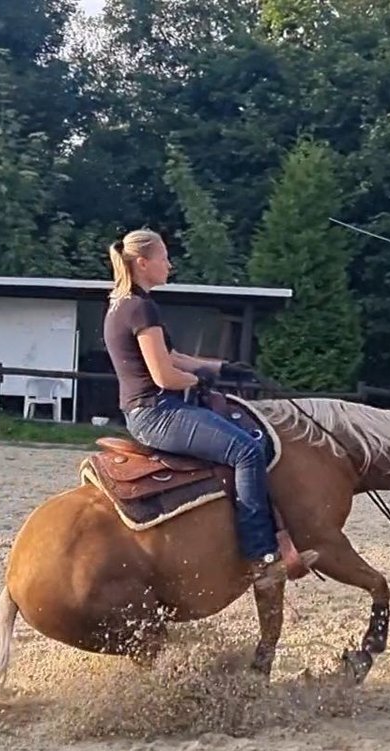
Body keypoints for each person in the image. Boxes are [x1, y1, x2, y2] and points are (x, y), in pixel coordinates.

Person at [102, 228, 302, 589]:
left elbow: (174, 357)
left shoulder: (124, 303)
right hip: (158, 412)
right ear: (143, 263)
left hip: (147, 409)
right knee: (246, 451)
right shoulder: (140, 307)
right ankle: (262, 556)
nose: (170, 264)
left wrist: (220, 368)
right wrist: (199, 383)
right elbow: (164, 375)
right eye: (164, 257)